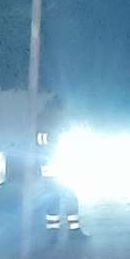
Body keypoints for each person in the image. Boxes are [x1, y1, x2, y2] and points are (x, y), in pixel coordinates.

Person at [35, 96, 81, 235]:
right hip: (56, 168)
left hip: (51, 168)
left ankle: (54, 231)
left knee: (55, 199)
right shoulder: (50, 123)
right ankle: (72, 231)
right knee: (67, 197)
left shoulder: (44, 120)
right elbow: (44, 143)